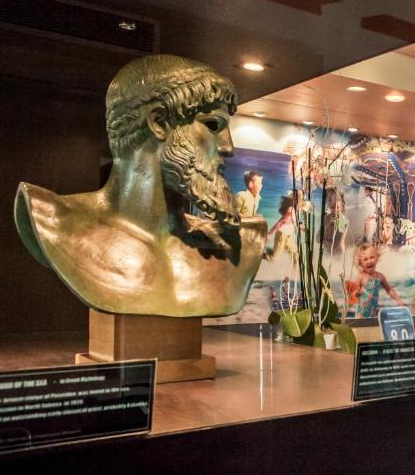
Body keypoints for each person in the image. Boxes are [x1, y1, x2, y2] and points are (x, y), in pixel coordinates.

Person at [14, 54, 266, 317]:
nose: (228, 147)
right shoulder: (55, 221)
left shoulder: (242, 243)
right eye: (213, 125)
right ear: (158, 123)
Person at [345, 242, 403, 318]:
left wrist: (398, 300)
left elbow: (389, 289)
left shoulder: (380, 276)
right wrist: (357, 293)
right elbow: (352, 292)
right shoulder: (361, 276)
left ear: (377, 258)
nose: (369, 261)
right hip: (361, 315)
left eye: (372, 257)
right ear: (361, 263)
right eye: (365, 259)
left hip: (372, 313)